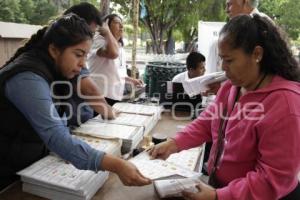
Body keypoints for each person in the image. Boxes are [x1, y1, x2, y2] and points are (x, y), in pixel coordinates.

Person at [150, 14, 300, 200]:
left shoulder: (285, 105)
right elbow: (207, 122)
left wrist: (218, 196)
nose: (223, 67)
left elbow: (272, 179)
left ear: (257, 54)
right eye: (221, 59)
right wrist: (175, 143)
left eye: (229, 60)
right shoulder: (232, 86)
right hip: (224, 188)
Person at [0, 14, 151, 190]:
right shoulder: (27, 78)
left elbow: (58, 121)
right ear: (54, 50)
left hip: (28, 161)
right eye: (78, 55)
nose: (82, 64)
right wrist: (117, 165)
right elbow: (55, 135)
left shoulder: (55, 69)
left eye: (85, 56)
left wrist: (69, 149)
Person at [63, 2, 117, 126]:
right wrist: (109, 111)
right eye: (89, 32)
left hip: (82, 119)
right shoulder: (69, 49)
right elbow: (89, 90)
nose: (90, 38)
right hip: (73, 125)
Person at [87, 14, 143, 106]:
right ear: (106, 25)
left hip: (114, 95)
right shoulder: (99, 40)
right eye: (117, 23)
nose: (121, 26)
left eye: (122, 24)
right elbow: (112, 54)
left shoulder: (119, 46)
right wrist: (107, 33)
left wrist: (131, 80)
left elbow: (118, 73)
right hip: (99, 94)